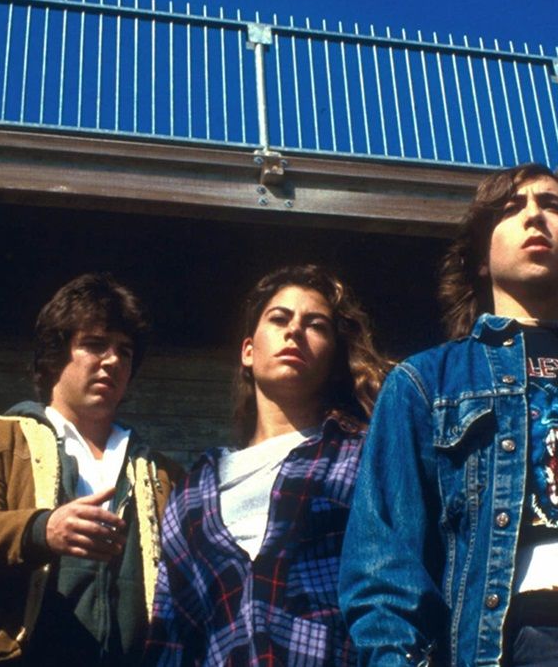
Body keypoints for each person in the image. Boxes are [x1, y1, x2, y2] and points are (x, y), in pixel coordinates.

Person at [340, 164, 558, 666]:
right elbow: (383, 563)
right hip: (521, 640)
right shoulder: (427, 382)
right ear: (482, 261)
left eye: (553, 206)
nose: (534, 216)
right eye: (511, 209)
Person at [144, 265, 390, 665]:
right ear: (247, 351)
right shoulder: (192, 493)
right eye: (279, 319)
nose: (294, 331)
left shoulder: (363, 456)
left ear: (332, 358)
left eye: (316, 325)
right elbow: (171, 633)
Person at [0, 273, 182, 665]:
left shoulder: (163, 473)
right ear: (54, 355)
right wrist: (40, 530)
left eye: (125, 350)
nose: (113, 360)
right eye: (95, 345)